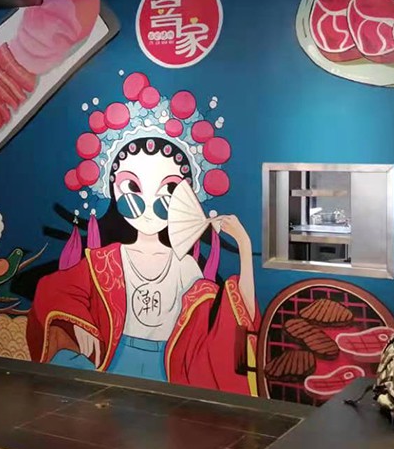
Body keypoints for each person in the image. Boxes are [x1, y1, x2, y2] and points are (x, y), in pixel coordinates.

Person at [26, 135, 259, 396]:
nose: (148, 204)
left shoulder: (185, 267)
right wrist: (79, 323)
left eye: (167, 191)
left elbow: (239, 315)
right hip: (113, 363)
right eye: (132, 187)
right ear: (115, 190)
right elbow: (52, 291)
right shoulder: (104, 261)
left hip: (168, 370)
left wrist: (244, 244)